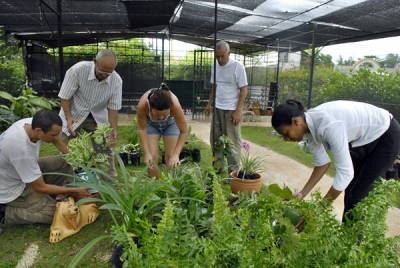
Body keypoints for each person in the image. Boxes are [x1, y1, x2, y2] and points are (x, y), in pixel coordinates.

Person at [271, 100, 400, 220]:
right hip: (363, 140)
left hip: (385, 135)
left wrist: (318, 210)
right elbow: (322, 163)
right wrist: (301, 195)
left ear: (295, 122)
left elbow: (345, 174)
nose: (286, 139)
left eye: (286, 133)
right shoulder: (308, 127)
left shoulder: (328, 125)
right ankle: (349, 239)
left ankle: (353, 242)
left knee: (357, 198)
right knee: (350, 193)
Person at [0, 109, 91, 225]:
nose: (56, 137)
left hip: (21, 170)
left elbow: (56, 139)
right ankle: (6, 213)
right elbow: (40, 187)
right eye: (53, 134)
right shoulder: (21, 150)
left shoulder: (31, 123)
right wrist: (74, 190)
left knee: (65, 162)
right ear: (39, 131)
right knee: (56, 213)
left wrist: (76, 161)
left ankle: (61, 193)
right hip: (11, 188)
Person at [58, 49, 122, 176]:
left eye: (108, 73)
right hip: (74, 113)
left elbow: (113, 108)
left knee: (104, 148)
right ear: (94, 61)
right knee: (64, 147)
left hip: (97, 116)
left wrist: (113, 129)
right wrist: (68, 117)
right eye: (102, 71)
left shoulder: (116, 80)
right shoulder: (77, 70)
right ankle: (65, 178)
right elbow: (65, 96)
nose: (105, 75)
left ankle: (109, 181)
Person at [206, 40, 248, 173]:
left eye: (222, 56)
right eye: (217, 56)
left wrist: (238, 111)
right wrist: (209, 104)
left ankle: (233, 172)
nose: (219, 59)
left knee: (232, 142)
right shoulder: (215, 66)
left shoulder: (237, 67)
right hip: (218, 108)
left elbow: (244, 90)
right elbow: (214, 86)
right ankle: (218, 168)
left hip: (231, 110)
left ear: (228, 53)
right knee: (215, 139)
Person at [136, 83, 188, 178]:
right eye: (157, 115)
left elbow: (184, 131)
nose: (161, 118)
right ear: (150, 108)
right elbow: (142, 128)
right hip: (151, 125)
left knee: (171, 157)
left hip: (171, 125)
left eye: (164, 115)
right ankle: (155, 187)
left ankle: (172, 187)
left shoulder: (175, 105)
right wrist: (146, 153)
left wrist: (176, 154)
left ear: (170, 107)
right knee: (152, 158)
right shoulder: (142, 106)